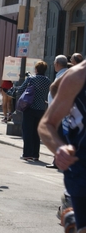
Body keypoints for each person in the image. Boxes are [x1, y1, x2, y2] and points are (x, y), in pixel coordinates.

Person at [38, 60, 86, 233]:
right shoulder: (78, 76)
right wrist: (60, 148)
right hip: (82, 167)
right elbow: (46, 124)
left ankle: (73, 216)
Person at [16, 61, 50, 161]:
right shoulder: (47, 81)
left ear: (36, 69)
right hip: (41, 109)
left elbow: (21, 90)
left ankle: (27, 153)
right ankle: (35, 154)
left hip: (30, 108)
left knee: (27, 131)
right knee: (36, 132)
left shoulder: (31, 79)